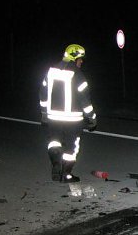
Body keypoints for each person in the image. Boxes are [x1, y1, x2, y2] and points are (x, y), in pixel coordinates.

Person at [39, 44, 97, 182]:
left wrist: (44, 113)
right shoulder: (77, 74)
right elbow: (84, 99)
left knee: (54, 142)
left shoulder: (51, 71)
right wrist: (91, 117)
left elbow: (43, 93)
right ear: (74, 58)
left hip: (53, 117)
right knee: (72, 147)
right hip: (73, 119)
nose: (81, 62)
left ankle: (56, 165)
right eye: (80, 59)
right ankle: (66, 174)